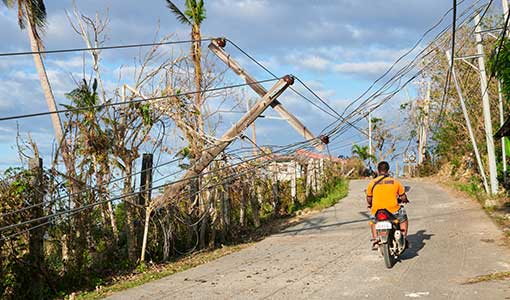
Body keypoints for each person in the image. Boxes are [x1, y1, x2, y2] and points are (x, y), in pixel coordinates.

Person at [366, 161, 409, 250]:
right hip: (393, 211)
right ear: (388, 170)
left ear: (378, 171)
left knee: (374, 222)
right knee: (403, 218)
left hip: (377, 211)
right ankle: (403, 237)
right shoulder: (395, 182)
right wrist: (405, 200)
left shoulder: (372, 183)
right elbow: (403, 196)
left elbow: (369, 199)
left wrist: (371, 205)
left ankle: (376, 240)